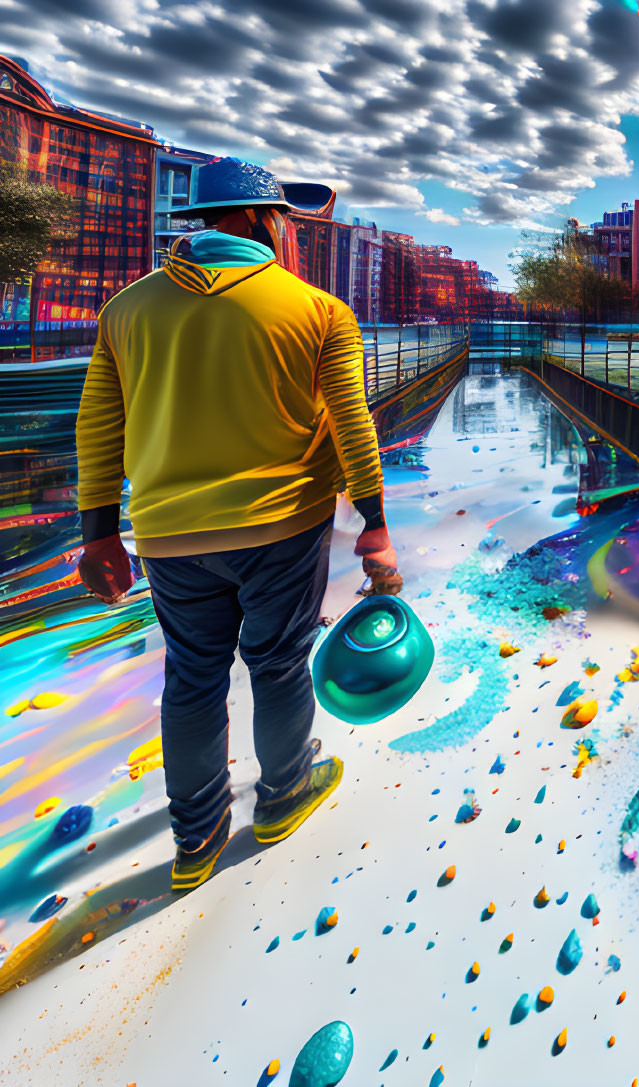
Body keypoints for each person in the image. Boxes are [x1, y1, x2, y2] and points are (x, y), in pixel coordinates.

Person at [71, 157, 403, 892]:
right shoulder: (316, 310)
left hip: (170, 535)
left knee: (191, 677)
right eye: (283, 220)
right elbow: (352, 420)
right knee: (279, 662)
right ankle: (282, 799)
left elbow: (98, 423)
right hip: (285, 525)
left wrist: (98, 529)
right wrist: (374, 520)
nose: (287, 234)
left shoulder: (127, 310)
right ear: (259, 220)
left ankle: (197, 837)